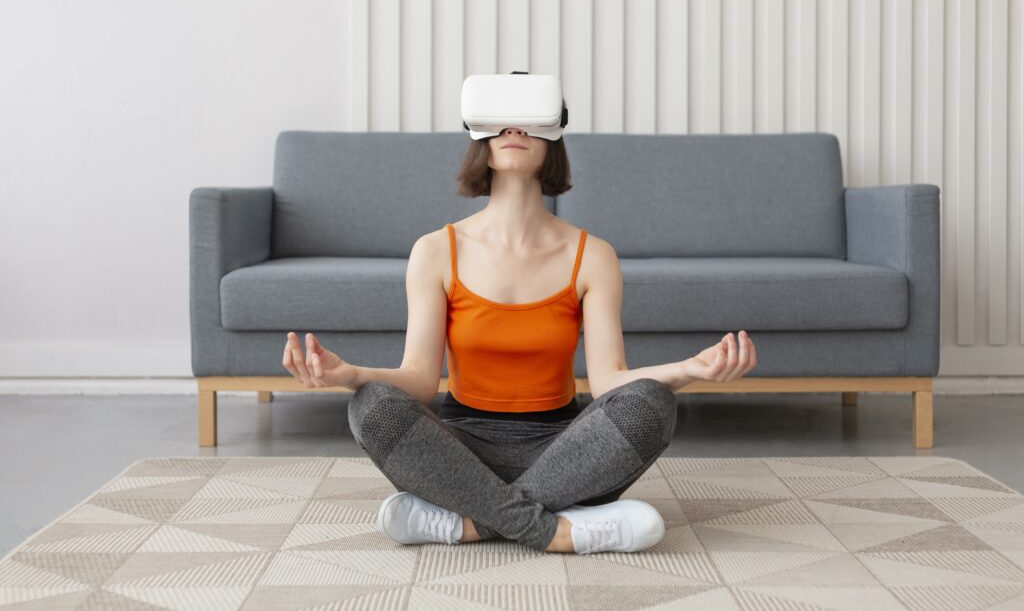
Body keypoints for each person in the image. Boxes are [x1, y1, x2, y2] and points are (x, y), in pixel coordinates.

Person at [282, 125, 757, 555]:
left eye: (530, 121)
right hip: (460, 451)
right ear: (481, 141)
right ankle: (556, 530)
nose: (514, 129)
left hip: (566, 453)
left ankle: (467, 523)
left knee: (653, 402)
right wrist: (349, 376)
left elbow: (611, 381)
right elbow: (419, 381)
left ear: (552, 140)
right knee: (370, 407)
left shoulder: (593, 255)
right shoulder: (434, 251)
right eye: (500, 121)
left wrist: (690, 370)